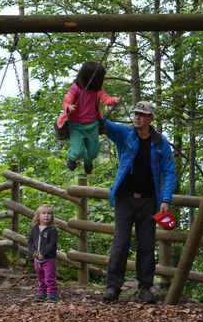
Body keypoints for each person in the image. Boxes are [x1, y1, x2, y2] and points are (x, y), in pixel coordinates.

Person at [102, 101, 176, 304]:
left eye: (142, 115)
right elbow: (103, 123)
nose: (137, 117)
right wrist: (98, 100)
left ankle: (144, 287)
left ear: (151, 118)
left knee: (146, 244)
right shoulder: (125, 134)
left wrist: (166, 199)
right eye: (136, 114)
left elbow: (169, 172)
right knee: (121, 242)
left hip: (149, 200)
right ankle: (113, 286)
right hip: (124, 198)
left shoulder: (160, 142)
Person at [56, 61, 121, 175]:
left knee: (93, 152)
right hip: (76, 125)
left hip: (92, 124)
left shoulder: (97, 89)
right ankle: (71, 157)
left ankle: (88, 161)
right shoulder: (75, 88)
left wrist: (114, 100)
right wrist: (69, 107)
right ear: (88, 76)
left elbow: (106, 99)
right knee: (78, 152)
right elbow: (66, 102)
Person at [28, 204, 59, 302]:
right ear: (38, 216)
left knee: (49, 277)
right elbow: (30, 242)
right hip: (37, 259)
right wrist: (34, 253)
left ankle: (53, 293)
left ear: (52, 216)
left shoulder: (52, 229)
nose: (46, 215)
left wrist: (43, 254)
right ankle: (42, 292)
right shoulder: (34, 229)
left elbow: (52, 244)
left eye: (49, 213)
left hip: (48, 258)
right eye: (44, 213)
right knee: (40, 277)